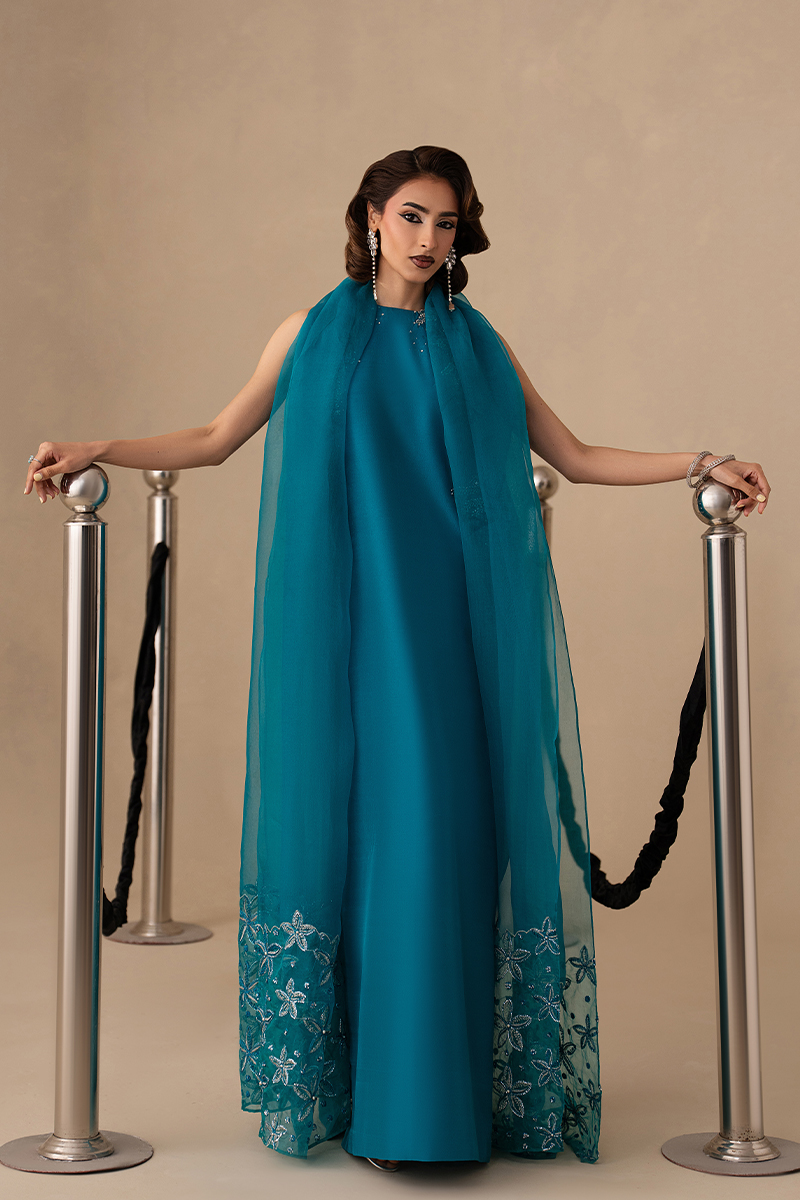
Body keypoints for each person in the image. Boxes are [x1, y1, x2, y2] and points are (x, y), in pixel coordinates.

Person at [24, 146, 770, 1173]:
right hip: (348, 636)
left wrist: (700, 462)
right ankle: (389, 1111)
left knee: (445, 845)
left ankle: (444, 1107)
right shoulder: (309, 334)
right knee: (379, 847)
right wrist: (98, 447)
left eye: (446, 223)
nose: (428, 238)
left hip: (455, 632)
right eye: (412, 216)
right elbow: (215, 435)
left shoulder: (477, 345)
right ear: (371, 217)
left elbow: (573, 455)